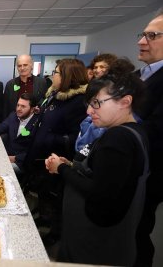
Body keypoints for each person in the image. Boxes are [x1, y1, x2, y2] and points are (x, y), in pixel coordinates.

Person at [45, 58, 148, 266]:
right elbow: (107, 176)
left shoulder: (118, 139)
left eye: (96, 104)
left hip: (95, 241)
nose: (89, 112)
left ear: (125, 102)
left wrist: (62, 168)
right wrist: (75, 166)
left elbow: (99, 192)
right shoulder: (133, 132)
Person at [22, 59, 88, 246]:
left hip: (57, 157)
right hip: (41, 152)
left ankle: (55, 233)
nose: (53, 75)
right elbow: (49, 115)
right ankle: (44, 218)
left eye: (56, 72)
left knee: (55, 196)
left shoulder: (77, 102)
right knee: (43, 191)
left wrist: (50, 138)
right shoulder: (53, 94)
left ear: (68, 76)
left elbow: (76, 136)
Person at [135, 7, 163, 267]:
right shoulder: (137, 76)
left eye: (152, 36)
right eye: (143, 34)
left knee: (138, 231)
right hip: (119, 163)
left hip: (146, 173)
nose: (141, 42)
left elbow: (154, 131)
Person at [0, 93, 38, 168]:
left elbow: (36, 151)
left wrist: (14, 158)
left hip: (22, 163)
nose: (18, 109)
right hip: (7, 156)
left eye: (23, 106)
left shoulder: (38, 123)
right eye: (18, 105)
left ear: (32, 109)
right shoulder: (13, 115)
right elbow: (3, 126)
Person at [74, 54, 116, 152]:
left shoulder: (115, 86)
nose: (97, 70)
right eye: (95, 67)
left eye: (102, 67)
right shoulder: (91, 85)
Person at [3, 55, 48, 119]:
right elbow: (5, 108)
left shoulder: (41, 82)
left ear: (31, 66)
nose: (22, 68)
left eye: (25, 65)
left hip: (34, 123)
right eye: (19, 66)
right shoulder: (10, 84)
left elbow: (44, 102)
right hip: (14, 122)